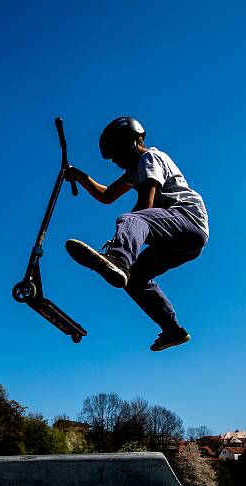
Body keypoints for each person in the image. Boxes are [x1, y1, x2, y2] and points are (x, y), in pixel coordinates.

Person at [65, 116, 209, 351]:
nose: (115, 162)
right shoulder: (134, 171)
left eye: (116, 155)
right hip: (184, 243)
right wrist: (81, 177)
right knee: (134, 279)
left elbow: (146, 204)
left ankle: (119, 260)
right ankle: (172, 330)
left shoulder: (149, 158)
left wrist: (121, 247)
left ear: (132, 143)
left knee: (132, 218)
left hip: (187, 221)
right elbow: (107, 195)